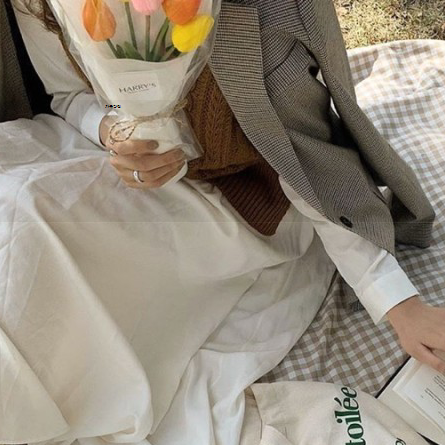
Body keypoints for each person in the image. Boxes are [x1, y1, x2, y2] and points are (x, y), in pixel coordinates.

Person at [0, 0, 442, 444]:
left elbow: (305, 156)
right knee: (20, 215)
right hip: (105, 162)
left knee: (40, 252)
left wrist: (397, 302)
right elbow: (68, 96)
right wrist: (114, 132)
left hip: (233, 194)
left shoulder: (256, 12)